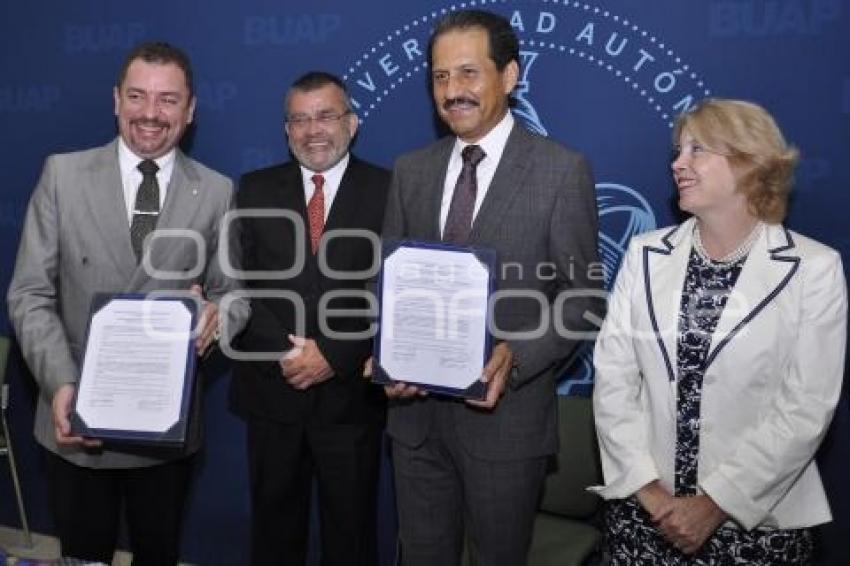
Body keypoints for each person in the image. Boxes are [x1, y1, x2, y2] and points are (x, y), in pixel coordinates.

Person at [6, 41, 248, 564]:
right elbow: (29, 293)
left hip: (166, 428)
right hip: (76, 421)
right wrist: (61, 383)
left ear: (190, 110)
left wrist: (216, 320)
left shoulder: (215, 190)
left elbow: (235, 295)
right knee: (83, 556)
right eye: (137, 96)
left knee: (158, 553)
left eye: (167, 100)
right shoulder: (62, 176)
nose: (150, 113)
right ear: (116, 100)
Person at [380, 10, 604, 565]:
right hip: (414, 423)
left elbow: (583, 299)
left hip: (506, 428)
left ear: (509, 75)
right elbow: (388, 286)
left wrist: (518, 357)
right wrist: (384, 354)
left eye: (468, 73)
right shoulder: (410, 170)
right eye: (439, 77)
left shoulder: (560, 170)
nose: (452, 91)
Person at [592, 98, 847, 564]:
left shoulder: (815, 269)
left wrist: (715, 503)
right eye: (678, 150)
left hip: (754, 523)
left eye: (697, 150)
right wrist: (648, 492)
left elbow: (807, 406)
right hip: (644, 517)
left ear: (750, 163)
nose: (677, 163)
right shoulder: (644, 254)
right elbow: (613, 378)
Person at [230, 71, 390, 565]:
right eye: (299, 119)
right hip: (270, 393)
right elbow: (236, 285)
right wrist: (286, 350)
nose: (312, 129)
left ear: (352, 123)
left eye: (325, 115)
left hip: (350, 403)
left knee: (351, 537)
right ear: (286, 130)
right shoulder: (253, 189)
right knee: (274, 535)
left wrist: (333, 353)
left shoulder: (391, 190)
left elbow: (393, 289)